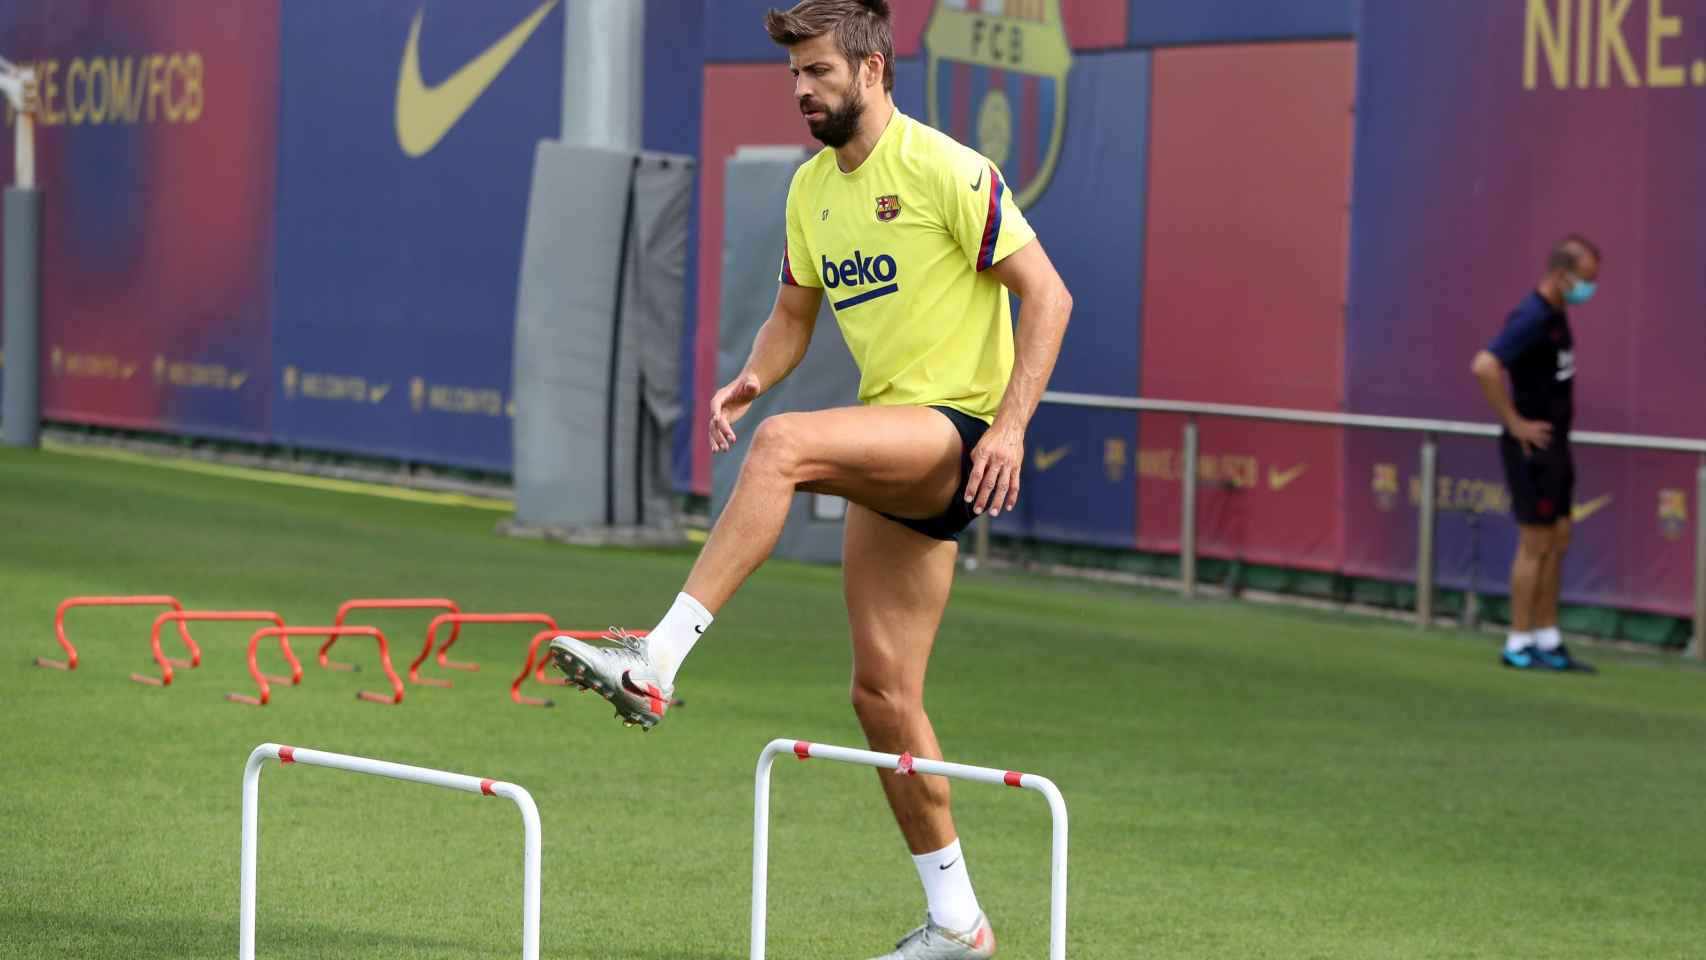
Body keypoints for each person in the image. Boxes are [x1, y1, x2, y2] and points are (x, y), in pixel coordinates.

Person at [550, 1, 1071, 955]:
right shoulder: (808, 193)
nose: (801, 89)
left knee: (786, 448)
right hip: (895, 445)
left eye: (819, 71)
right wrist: (755, 373)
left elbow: (1050, 295)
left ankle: (656, 658)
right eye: (794, 74)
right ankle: (959, 922)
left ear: (872, 70)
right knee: (881, 698)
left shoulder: (949, 168)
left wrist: (1010, 428)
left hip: (952, 431)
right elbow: (794, 315)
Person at [1470, 235, 1600, 673]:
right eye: (1585, 280)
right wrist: (1514, 422)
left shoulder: (1559, 315)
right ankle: (1518, 642)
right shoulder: (1531, 316)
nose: (1590, 289)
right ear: (1562, 275)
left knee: (1560, 536)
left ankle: (1548, 636)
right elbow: (1485, 365)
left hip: (1558, 446)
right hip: (1533, 448)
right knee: (1536, 542)